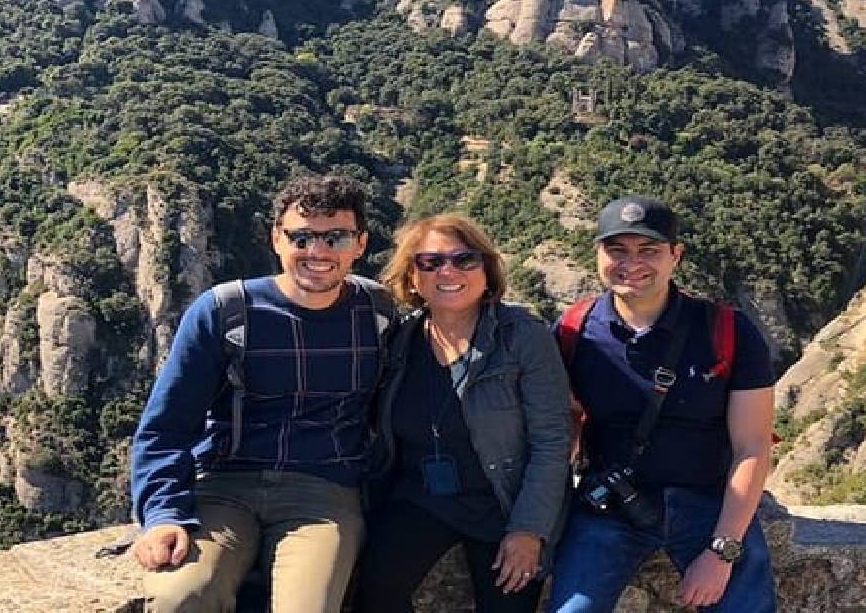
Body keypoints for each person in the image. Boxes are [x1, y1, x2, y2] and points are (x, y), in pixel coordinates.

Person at [130, 174, 393, 613]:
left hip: (324, 491)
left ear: (360, 244)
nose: (319, 251)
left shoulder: (377, 314)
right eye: (302, 236)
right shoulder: (225, 312)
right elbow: (166, 427)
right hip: (224, 484)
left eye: (337, 237)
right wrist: (163, 514)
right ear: (277, 238)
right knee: (181, 597)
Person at [548, 196, 778, 613]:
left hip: (709, 503)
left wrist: (722, 551)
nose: (631, 263)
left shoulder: (727, 330)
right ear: (597, 254)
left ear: (676, 255)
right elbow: (561, 427)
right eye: (617, 250)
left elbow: (752, 446)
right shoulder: (573, 331)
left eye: (649, 250)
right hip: (612, 505)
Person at [356, 214, 571, 612]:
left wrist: (528, 530)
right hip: (421, 498)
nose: (448, 271)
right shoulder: (400, 341)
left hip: (502, 501)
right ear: (413, 278)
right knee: (372, 590)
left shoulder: (522, 335)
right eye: (430, 262)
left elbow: (552, 440)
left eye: (464, 259)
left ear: (486, 270)